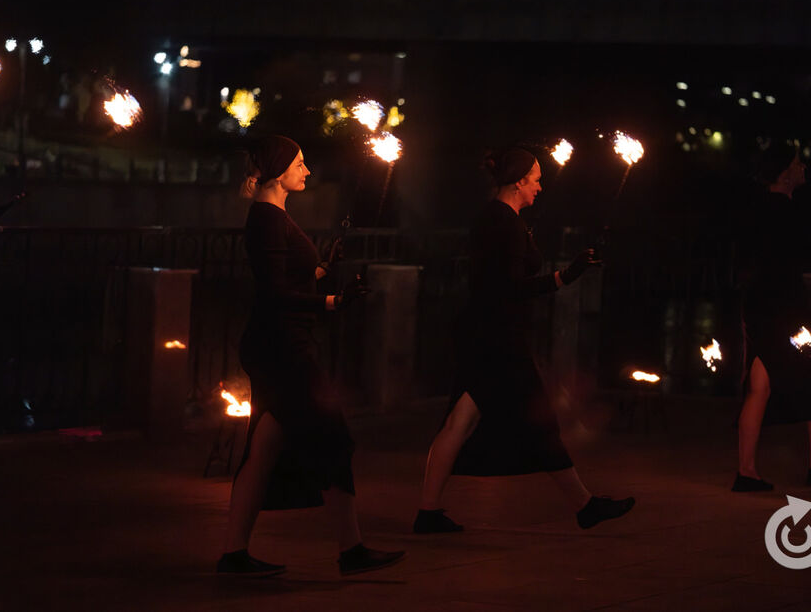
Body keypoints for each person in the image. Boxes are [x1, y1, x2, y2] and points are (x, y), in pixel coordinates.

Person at [413, 147, 635, 533]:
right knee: (540, 421)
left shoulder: (502, 218)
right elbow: (507, 287)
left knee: (460, 421)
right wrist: (565, 276)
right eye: (535, 179)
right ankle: (585, 506)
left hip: (485, 333)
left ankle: (428, 512)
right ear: (519, 182)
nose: (541, 186)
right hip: (498, 339)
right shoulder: (501, 222)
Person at [217, 135, 405, 576]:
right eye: (300, 164)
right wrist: (334, 302)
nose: (307, 171)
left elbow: (288, 276)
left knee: (263, 448)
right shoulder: (265, 218)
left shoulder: (275, 216)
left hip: (280, 344)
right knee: (334, 438)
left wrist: (320, 268)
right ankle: (351, 549)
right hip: (281, 349)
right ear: (280, 171)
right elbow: (275, 293)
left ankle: (233, 553)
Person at [733, 141, 811, 492]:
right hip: (784, 311)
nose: (804, 168)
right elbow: (795, 260)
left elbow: (752, 264)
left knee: (760, 386)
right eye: (799, 163)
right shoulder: (787, 213)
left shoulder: (755, 211)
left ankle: (746, 471)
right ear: (786, 172)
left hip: (759, 308)